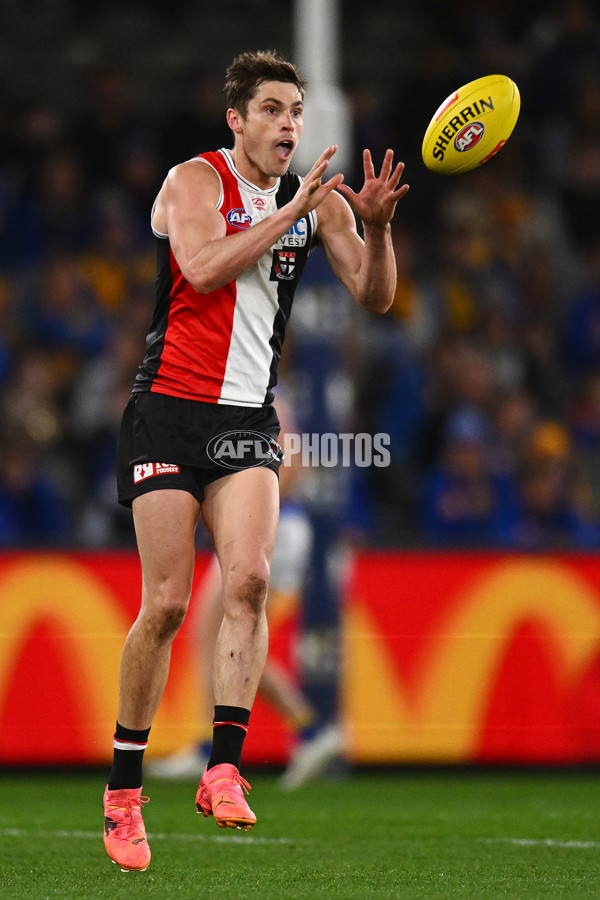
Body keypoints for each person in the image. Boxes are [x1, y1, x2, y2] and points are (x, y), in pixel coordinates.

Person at [102, 49, 409, 873]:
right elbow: (201, 268)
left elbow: (376, 296)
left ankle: (225, 767)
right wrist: (292, 214)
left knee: (248, 581)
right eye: (272, 110)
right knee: (165, 606)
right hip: (166, 412)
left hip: (246, 418)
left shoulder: (319, 204)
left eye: (296, 112)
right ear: (236, 119)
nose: (288, 126)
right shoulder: (196, 182)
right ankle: (124, 794)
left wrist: (374, 230)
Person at [145, 391, 342, 787]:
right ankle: (308, 731)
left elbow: (294, 463)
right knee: (224, 634)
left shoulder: (258, 390)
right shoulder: (238, 390)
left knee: (220, 630)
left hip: (276, 526)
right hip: (276, 526)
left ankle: (214, 746)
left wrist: (250, 512)